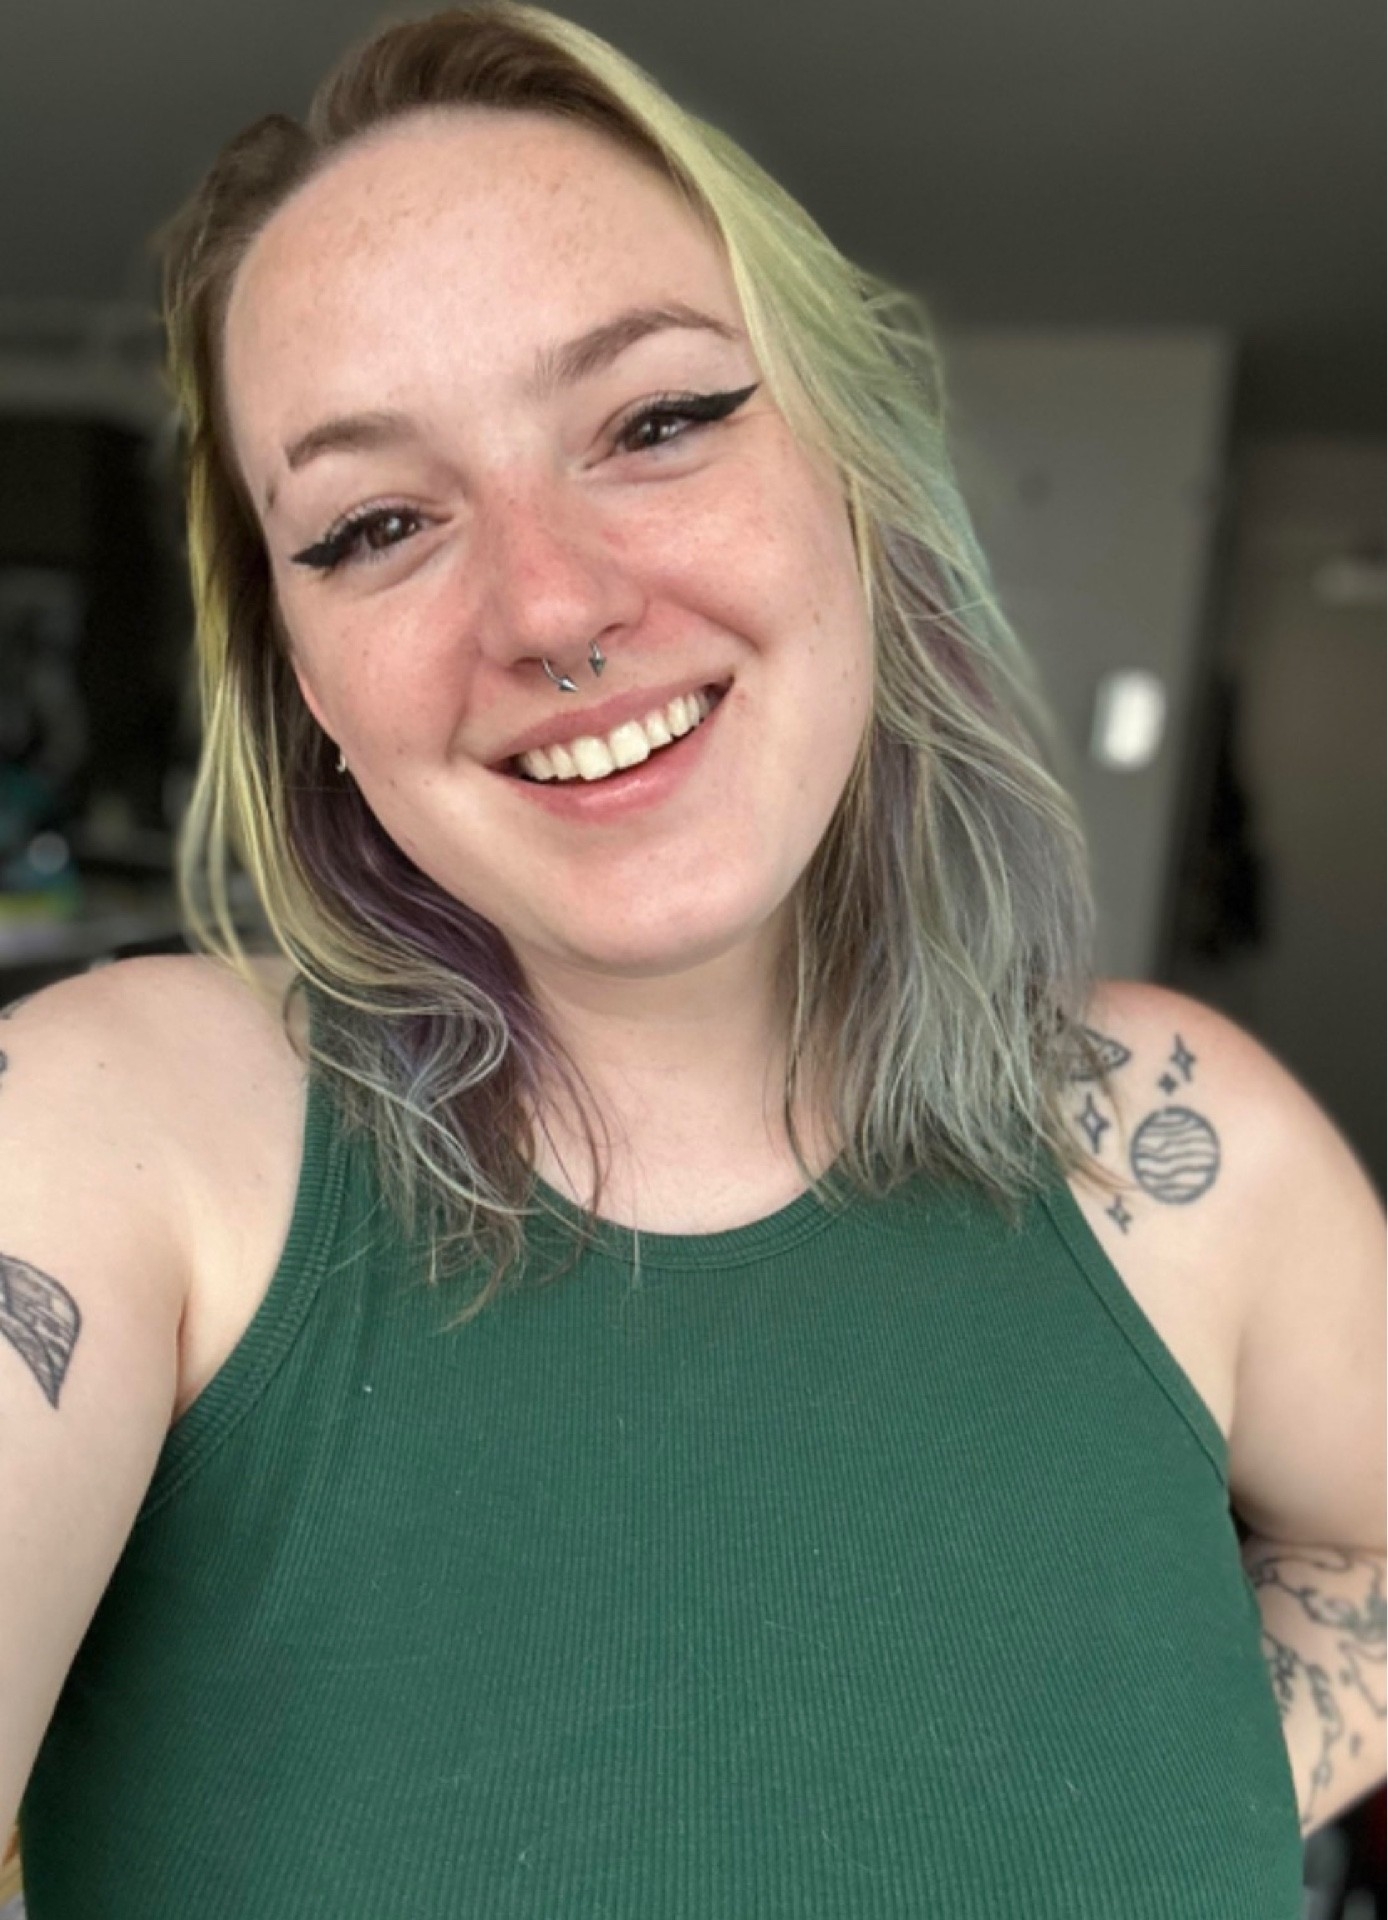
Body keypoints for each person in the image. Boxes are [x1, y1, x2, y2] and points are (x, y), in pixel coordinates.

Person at [1, 6, 1382, 1914]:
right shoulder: (116, 1135)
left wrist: (1159, 1797)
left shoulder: (1174, 1140)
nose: (553, 604)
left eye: (657, 422)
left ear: (855, 482)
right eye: (379, 523)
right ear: (304, 681)